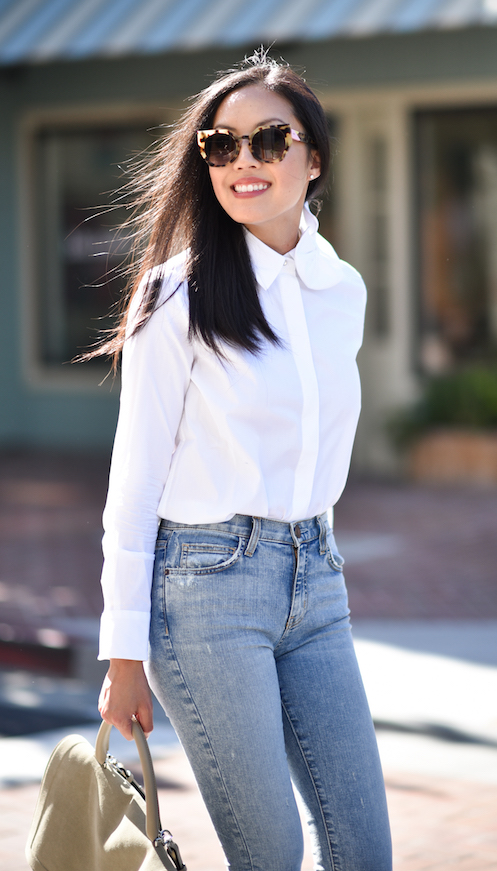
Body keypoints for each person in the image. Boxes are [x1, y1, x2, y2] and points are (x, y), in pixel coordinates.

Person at [96, 50, 392, 871]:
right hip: (205, 593)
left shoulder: (344, 293)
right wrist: (123, 653)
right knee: (270, 854)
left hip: (317, 575)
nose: (243, 162)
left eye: (268, 140)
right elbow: (134, 480)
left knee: (364, 849)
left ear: (315, 157)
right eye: (220, 146)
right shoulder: (175, 295)